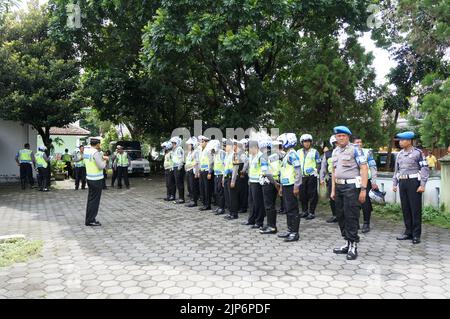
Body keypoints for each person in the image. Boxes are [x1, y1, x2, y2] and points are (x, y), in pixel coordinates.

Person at [331, 126, 368, 260]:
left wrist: (363, 189)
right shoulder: (335, 151)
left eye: (343, 136)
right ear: (336, 137)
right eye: (338, 136)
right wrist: (333, 189)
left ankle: (353, 245)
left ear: (348, 137)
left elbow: (364, 168)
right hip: (339, 187)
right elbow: (334, 171)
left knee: (351, 216)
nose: (341, 138)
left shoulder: (355, 150)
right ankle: (347, 242)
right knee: (340, 215)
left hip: (352, 187)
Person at [393, 131, 429, 244]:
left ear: (409, 141)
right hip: (402, 182)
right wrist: (395, 183)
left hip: (414, 182)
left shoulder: (418, 153)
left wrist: (422, 184)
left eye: (402, 140)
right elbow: (396, 170)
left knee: (415, 209)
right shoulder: (399, 154)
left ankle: (416, 235)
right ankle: (408, 232)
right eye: (400, 140)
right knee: (406, 208)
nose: (400, 142)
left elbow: (424, 168)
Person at [276, 133, 302, 242]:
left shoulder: (293, 155)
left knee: (293, 209)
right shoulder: (286, 155)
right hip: (286, 185)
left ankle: (295, 233)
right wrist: (281, 187)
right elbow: (283, 172)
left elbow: (298, 171)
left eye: (282, 142)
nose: (281, 145)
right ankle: (290, 229)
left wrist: (297, 186)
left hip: (292, 185)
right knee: (288, 209)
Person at [353, 136, 378, 233]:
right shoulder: (350, 151)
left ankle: (366, 223)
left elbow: (373, 167)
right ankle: (355, 223)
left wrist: (374, 181)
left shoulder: (367, 152)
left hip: (365, 181)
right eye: (356, 142)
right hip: (353, 181)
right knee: (353, 203)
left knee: (365, 202)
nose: (359, 144)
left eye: (360, 142)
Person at [242, 137, 265, 229]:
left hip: (258, 183)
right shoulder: (251, 156)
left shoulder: (261, 156)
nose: (248, 150)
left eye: (249, 148)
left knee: (258, 203)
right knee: (251, 202)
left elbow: (263, 170)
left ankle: (259, 222)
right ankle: (251, 220)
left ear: (255, 147)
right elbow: (251, 169)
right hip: (251, 181)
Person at [84, 138, 108, 226]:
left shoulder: (87, 151)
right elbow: (101, 166)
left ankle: (88, 219)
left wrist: (101, 157)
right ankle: (91, 220)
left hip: (89, 178)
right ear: (97, 144)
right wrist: (105, 159)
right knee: (94, 201)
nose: (100, 145)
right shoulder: (95, 152)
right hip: (96, 180)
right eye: (99, 144)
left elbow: (92, 161)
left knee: (91, 200)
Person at [297, 134, 321, 220]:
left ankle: (311, 212)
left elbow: (319, 163)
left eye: (308, 141)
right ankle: (304, 211)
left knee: (312, 194)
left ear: (311, 142)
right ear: (302, 143)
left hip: (311, 176)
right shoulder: (298, 152)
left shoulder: (315, 152)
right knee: (302, 194)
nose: (307, 143)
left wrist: (315, 170)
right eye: (305, 141)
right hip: (301, 176)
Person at [260, 138, 281, 234]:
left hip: (269, 182)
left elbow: (267, 172)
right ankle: (270, 224)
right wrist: (276, 183)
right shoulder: (276, 155)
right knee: (271, 204)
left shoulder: (264, 156)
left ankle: (271, 226)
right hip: (275, 181)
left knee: (269, 205)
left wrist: (274, 183)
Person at [320, 135, 338, 223]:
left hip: (343, 178)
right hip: (331, 178)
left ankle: (343, 215)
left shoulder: (346, 152)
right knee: (332, 198)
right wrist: (321, 178)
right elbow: (323, 167)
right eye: (335, 142)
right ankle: (335, 215)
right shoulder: (327, 154)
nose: (337, 144)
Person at [223, 139, 239, 220]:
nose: (225, 147)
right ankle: (230, 212)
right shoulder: (226, 155)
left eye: (226, 145)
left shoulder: (234, 155)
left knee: (232, 197)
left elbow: (235, 168)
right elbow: (224, 167)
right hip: (226, 177)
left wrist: (233, 180)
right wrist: (223, 178)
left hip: (231, 178)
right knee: (228, 196)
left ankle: (234, 213)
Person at [198, 136, 214, 211]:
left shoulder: (208, 150)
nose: (201, 143)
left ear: (206, 142)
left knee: (207, 188)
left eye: (202, 142)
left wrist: (210, 172)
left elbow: (211, 161)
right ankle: (204, 203)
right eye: (201, 142)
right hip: (202, 171)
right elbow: (200, 161)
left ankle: (207, 205)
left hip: (207, 171)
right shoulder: (201, 150)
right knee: (202, 188)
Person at [185, 137, 200, 207]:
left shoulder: (196, 152)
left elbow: (197, 162)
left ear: (193, 145)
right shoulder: (189, 153)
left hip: (193, 171)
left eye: (189, 145)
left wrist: (197, 173)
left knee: (193, 186)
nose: (188, 146)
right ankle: (191, 199)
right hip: (188, 171)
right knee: (189, 186)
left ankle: (194, 201)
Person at [212, 140, 226, 215]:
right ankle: (218, 206)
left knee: (220, 192)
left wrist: (223, 176)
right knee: (216, 191)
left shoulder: (222, 153)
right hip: (216, 174)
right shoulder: (215, 154)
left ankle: (222, 208)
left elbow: (225, 164)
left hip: (221, 174)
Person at [170, 136, 185, 204]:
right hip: (176, 167)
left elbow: (181, 159)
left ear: (177, 143)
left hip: (179, 168)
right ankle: (180, 198)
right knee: (177, 183)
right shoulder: (175, 149)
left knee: (180, 183)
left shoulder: (179, 149)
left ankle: (181, 198)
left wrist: (179, 168)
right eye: (172, 143)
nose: (172, 145)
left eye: (173, 143)